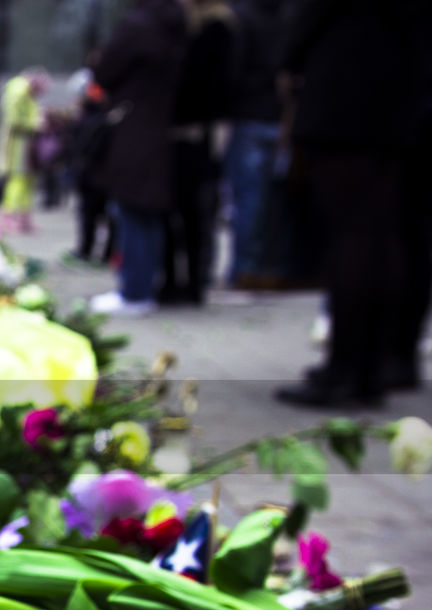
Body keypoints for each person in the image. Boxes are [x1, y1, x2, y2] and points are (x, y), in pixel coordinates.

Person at [274, 0, 427, 407]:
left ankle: (347, 369)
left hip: (349, 89)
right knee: (386, 234)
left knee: (354, 237)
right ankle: (379, 363)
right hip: (400, 92)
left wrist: (290, 56)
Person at [88, 0, 187, 317]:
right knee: (148, 213)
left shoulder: (138, 24)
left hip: (134, 128)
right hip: (162, 126)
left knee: (131, 210)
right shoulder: (175, 23)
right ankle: (142, 288)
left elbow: (105, 71)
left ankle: (134, 291)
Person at [160, 0, 237, 305]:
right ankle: (187, 282)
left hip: (192, 130)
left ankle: (188, 282)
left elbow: (209, 84)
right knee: (186, 211)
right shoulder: (192, 25)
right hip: (194, 130)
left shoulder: (213, 28)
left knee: (190, 211)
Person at [225, 0, 288, 289]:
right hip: (278, 116)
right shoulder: (285, 14)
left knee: (247, 199)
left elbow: (231, 71)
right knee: (267, 199)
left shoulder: (239, 16)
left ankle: (244, 269)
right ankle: (264, 266)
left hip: (248, 115)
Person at [65, 79, 117, 267]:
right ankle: (104, 254)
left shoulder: (94, 119)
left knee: (91, 215)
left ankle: (88, 251)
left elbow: (81, 147)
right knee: (106, 218)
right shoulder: (109, 117)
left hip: (93, 176)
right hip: (103, 176)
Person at [0, 71, 47, 233]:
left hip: (27, 144)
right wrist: (35, 123)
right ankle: (9, 215)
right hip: (18, 145)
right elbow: (14, 120)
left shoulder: (26, 94)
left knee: (28, 181)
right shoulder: (18, 92)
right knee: (17, 180)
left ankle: (23, 216)